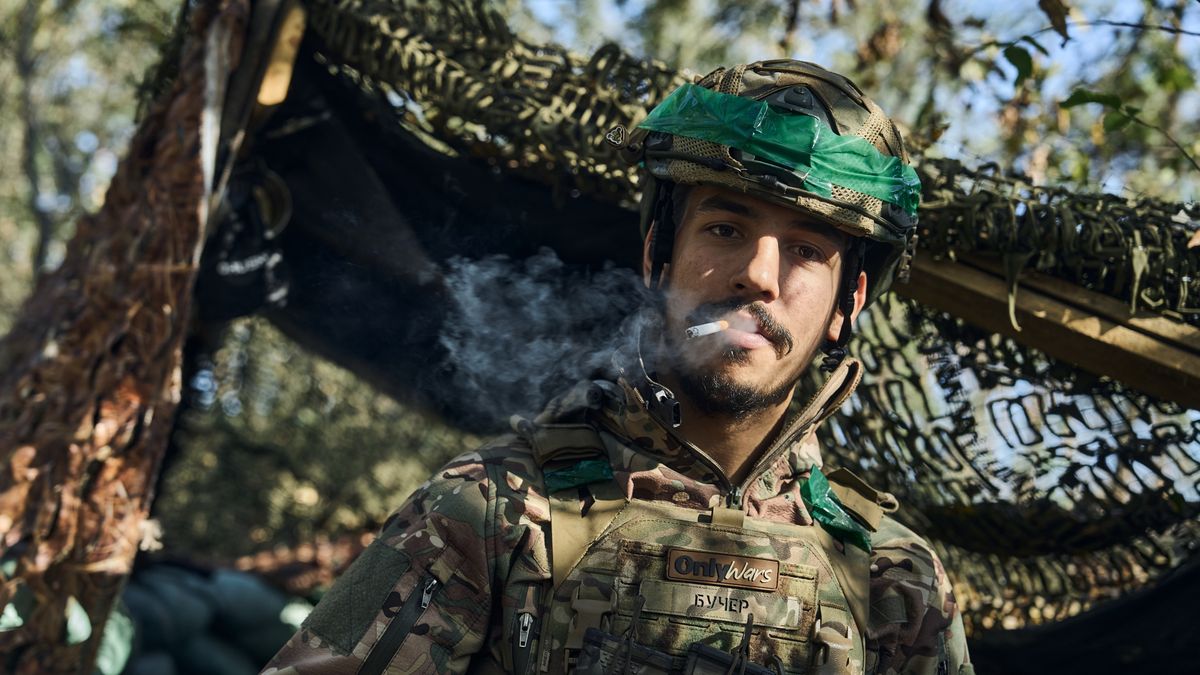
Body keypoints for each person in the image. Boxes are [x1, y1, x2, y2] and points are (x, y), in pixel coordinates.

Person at [263, 60, 972, 675]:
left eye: (805, 250)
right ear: (657, 256)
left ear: (849, 301)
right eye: (725, 230)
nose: (759, 274)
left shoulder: (894, 580)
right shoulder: (493, 513)